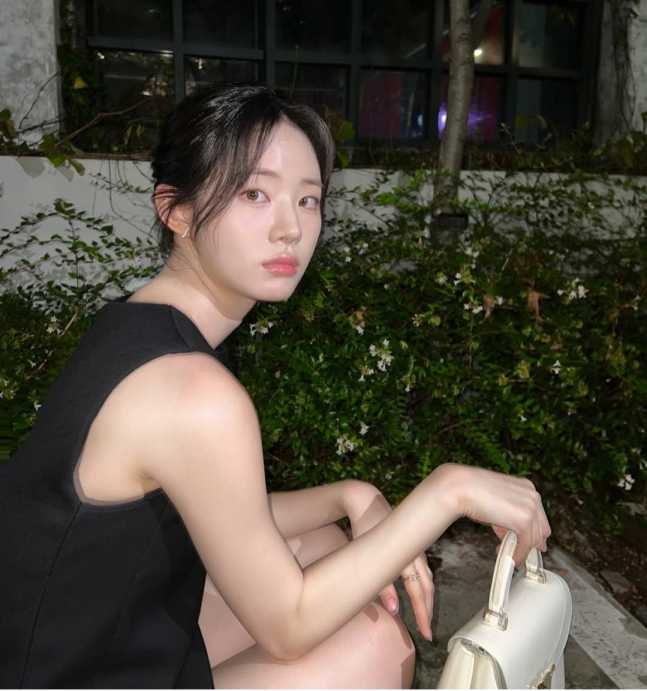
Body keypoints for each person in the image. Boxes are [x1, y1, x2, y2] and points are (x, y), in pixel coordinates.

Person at [0, 84, 551, 689]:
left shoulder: (135, 325)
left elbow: (219, 510)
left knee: (319, 543)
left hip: (66, 644)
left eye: (308, 200)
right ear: (176, 210)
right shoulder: (193, 393)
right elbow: (287, 625)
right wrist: (448, 492)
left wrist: (350, 494)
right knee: (372, 643)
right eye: (254, 194)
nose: (290, 228)